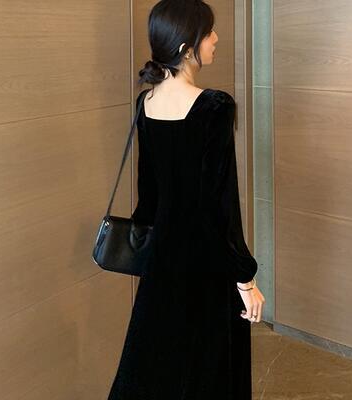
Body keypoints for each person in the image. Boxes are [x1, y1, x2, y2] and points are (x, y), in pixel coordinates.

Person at [107, 1, 265, 399]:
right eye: (208, 32)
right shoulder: (215, 106)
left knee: (159, 365)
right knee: (211, 370)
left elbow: (149, 197)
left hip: (163, 259)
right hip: (208, 263)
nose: (215, 39)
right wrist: (245, 277)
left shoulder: (145, 104)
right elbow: (221, 207)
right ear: (186, 46)